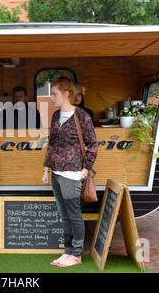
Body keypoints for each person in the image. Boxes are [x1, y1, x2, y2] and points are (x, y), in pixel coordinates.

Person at [42, 77, 98, 267]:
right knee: (63, 213)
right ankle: (67, 251)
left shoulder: (81, 116)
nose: (51, 98)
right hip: (56, 173)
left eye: (54, 94)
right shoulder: (56, 116)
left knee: (73, 213)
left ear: (66, 93)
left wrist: (86, 167)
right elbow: (52, 144)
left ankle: (76, 254)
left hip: (72, 173)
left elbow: (93, 144)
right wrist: (46, 169)